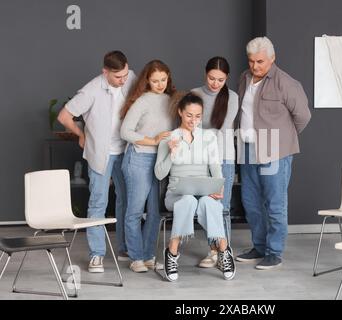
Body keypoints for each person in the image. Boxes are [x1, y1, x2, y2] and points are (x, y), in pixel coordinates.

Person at [235, 36, 311, 269]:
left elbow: (303, 116)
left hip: (274, 150)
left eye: (260, 62)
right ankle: (258, 247)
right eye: (251, 61)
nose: (255, 66)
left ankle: (274, 252)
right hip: (247, 149)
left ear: (272, 58)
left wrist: (282, 140)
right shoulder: (244, 78)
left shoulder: (286, 83)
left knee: (275, 204)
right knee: (251, 202)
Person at [57, 50, 136, 272]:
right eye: (118, 77)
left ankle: (125, 248)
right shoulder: (91, 89)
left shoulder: (131, 78)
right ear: (105, 72)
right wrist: (81, 135)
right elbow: (64, 116)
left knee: (127, 199)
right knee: (98, 202)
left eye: (125, 74)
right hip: (101, 153)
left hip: (127, 150)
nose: (123, 80)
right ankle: (96, 255)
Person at [154, 92, 236, 281]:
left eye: (198, 116)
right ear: (181, 112)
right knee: (188, 201)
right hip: (177, 193)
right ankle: (172, 252)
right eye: (189, 115)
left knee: (209, 203)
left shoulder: (208, 137)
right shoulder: (169, 138)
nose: (193, 120)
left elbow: (215, 166)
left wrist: (218, 187)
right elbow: (159, 173)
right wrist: (170, 153)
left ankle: (223, 250)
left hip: (203, 190)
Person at [120, 60, 176, 273]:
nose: (160, 84)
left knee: (154, 212)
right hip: (138, 158)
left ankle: (148, 255)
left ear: (168, 77)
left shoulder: (171, 100)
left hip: (159, 161)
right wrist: (153, 140)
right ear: (147, 81)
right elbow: (125, 132)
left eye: (163, 80)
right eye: (155, 81)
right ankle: (135, 257)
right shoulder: (142, 101)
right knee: (135, 211)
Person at [191, 57, 238, 268]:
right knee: (208, 205)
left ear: (226, 78)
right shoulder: (194, 94)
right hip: (201, 160)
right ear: (205, 74)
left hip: (225, 158)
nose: (215, 83)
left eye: (220, 79)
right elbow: (189, 128)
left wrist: (201, 132)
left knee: (223, 207)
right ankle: (212, 250)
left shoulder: (233, 97)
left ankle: (224, 251)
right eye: (211, 78)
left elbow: (222, 131)